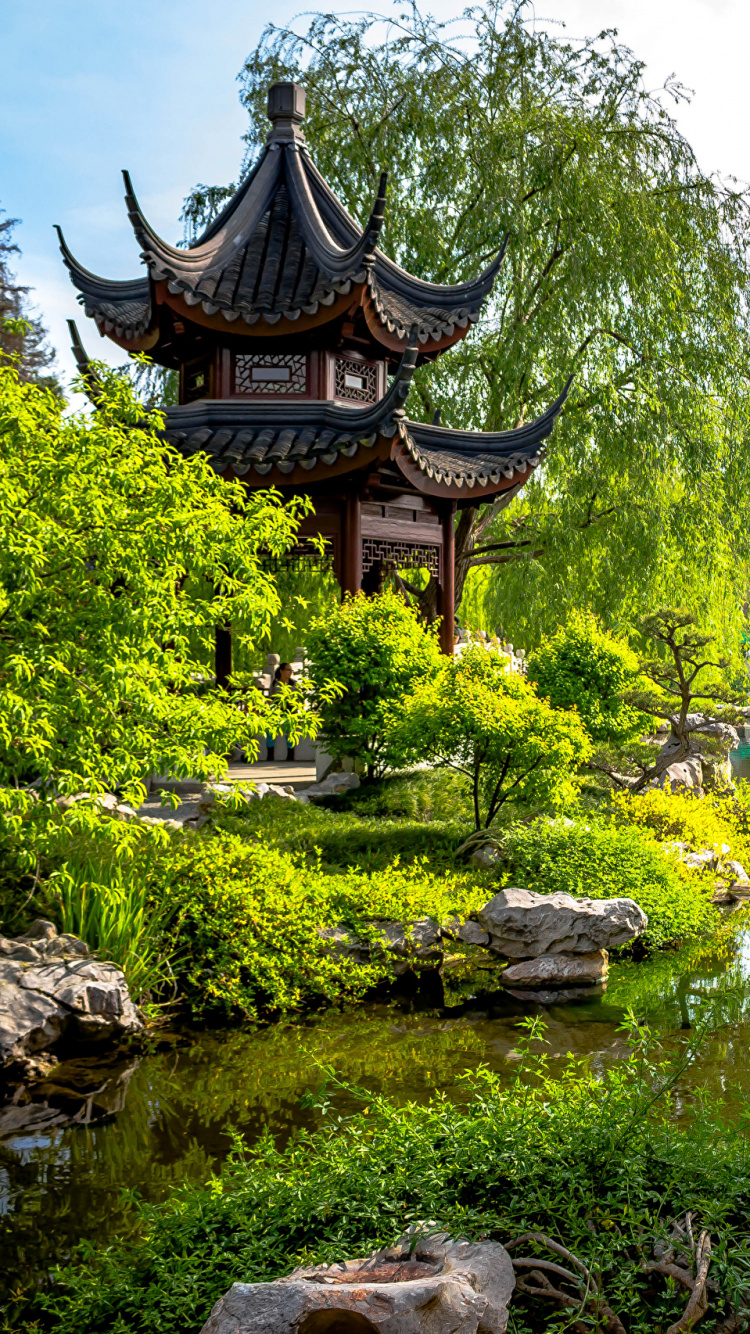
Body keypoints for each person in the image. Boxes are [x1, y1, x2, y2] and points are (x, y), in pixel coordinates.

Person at [265, 662, 295, 760]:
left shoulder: (293, 684)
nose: (289, 672)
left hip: (289, 711)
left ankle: (290, 755)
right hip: (276, 711)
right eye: (288, 670)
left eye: (291, 670)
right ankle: (270, 755)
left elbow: (297, 698)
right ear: (281, 671)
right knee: (270, 731)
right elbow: (270, 698)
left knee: (290, 732)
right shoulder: (275, 683)